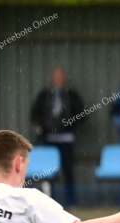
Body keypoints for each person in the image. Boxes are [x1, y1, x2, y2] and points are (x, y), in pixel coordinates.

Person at [29, 66, 84, 206]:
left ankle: (71, 202)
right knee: (48, 172)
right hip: (49, 139)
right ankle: (49, 202)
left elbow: (82, 114)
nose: (58, 79)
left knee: (68, 170)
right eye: (56, 76)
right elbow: (34, 113)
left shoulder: (72, 95)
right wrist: (46, 126)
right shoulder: (45, 95)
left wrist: (68, 124)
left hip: (67, 139)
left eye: (61, 76)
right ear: (52, 78)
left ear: (65, 78)